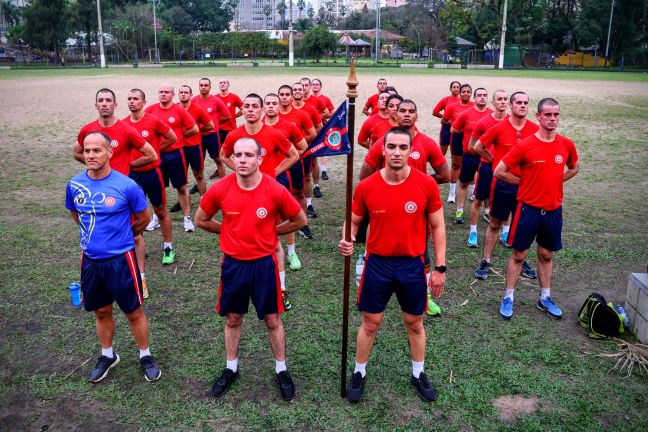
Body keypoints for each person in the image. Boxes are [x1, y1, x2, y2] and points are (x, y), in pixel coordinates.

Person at [338, 127, 447, 403]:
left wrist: (440, 268)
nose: (397, 152)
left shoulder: (426, 184)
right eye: (391, 147)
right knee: (371, 322)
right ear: (382, 150)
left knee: (415, 322)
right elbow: (353, 221)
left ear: (411, 151)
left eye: (402, 147)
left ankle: (418, 373)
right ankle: (359, 372)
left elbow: (438, 226)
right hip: (377, 264)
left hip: (413, 265)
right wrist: (348, 237)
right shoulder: (367, 186)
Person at [195, 137, 306, 400]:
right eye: (237, 155)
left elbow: (299, 219)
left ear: (259, 159)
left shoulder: (274, 189)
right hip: (234, 265)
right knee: (233, 318)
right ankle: (231, 367)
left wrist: (272, 233)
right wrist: (230, 231)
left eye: (248, 155)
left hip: (264, 265)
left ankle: (281, 368)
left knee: (272, 318)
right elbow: (201, 219)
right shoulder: (221, 188)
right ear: (232, 159)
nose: (242, 160)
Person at [66, 131, 161, 383]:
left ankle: (145, 355)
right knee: (101, 311)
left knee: (133, 311)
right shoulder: (74, 185)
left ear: (110, 152)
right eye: (87, 150)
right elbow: (77, 215)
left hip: (122, 261)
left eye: (96, 150)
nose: (90, 155)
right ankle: (108, 355)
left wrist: (120, 238)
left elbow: (142, 219)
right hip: (91, 261)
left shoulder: (127, 186)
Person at [360, 100, 450, 316]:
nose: (407, 115)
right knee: (377, 245)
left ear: (417, 116)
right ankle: (366, 275)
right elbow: (365, 174)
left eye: (411, 111)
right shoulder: (383, 142)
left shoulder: (427, 143)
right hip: (385, 208)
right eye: (402, 111)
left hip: (415, 210)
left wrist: (421, 184)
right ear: (395, 115)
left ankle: (425, 297)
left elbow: (446, 175)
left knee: (421, 253)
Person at [494, 98, 579, 320]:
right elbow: (500, 171)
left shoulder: (566, 144)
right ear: (539, 117)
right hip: (527, 210)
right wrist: (522, 183)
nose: (552, 119)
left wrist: (556, 182)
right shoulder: (525, 145)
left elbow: (574, 167)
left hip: (553, 210)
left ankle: (544, 297)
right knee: (519, 255)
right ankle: (508, 297)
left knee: (546, 254)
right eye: (548, 115)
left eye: (556, 115)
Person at [472, 92, 539, 281]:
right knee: (494, 223)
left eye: (526, 102)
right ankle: (486, 260)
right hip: (502, 184)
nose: (523, 106)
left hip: (525, 185)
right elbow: (478, 147)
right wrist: (495, 162)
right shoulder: (499, 127)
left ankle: (520, 258)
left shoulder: (535, 129)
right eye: (519, 102)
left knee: (521, 225)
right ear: (510, 105)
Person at [123, 89, 178, 295]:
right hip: (131, 175)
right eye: (129, 98)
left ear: (144, 102)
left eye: (135, 98)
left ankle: (168, 247)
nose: (132, 101)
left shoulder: (154, 121)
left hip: (152, 173)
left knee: (160, 210)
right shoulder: (123, 124)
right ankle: (139, 247)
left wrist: (155, 148)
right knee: (134, 214)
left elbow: (172, 138)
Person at [263, 93, 309, 308]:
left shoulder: (288, 126)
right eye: (268, 103)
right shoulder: (255, 126)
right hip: (257, 178)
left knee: (286, 214)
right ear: (263, 107)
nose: (271, 106)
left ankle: (291, 252)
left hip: (280, 175)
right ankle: (265, 248)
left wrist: (278, 169)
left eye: (274, 103)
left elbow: (301, 148)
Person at [145, 83, 199, 234]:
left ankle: (187, 218)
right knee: (157, 188)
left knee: (181, 187)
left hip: (175, 155)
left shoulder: (179, 110)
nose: (163, 94)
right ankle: (156, 217)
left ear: (172, 95)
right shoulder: (150, 110)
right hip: (157, 156)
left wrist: (179, 138)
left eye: (166, 92)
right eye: (161, 92)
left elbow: (194, 129)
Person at [75, 88, 157, 177]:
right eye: (100, 100)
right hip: (96, 182)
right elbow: (76, 153)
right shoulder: (87, 130)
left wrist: (128, 166)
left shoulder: (127, 130)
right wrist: (95, 164)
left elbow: (152, 156)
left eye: (108, 100)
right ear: (96, 105)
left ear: (115, 105)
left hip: (119, 185)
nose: (104, 104)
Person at [466, 89, 509, 247]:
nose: (502, 102)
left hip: (506, 170)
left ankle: (506, 232)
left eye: (505, 99)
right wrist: (493, 159)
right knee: (478, 199)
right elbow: (472, 146)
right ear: (493, 102)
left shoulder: (512, 121)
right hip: (486, 167)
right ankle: (473, 232)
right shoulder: (483, 122)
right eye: (499, 99)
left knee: (506, 200)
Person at [277, 84, 318, 238]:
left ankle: (303, 223)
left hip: (294, 160)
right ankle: (278, 223)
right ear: (278, 96)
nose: (285, 97)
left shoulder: (301, 115)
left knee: (298, 192)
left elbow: (312, 134)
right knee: (279, 194)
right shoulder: (272, 115)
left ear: (292, 97)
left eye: (288, 94)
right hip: (276, 163)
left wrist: (292, 145)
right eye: (282, 94)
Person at [450, 87, 492, 225]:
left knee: (488, 185)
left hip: (487, 157)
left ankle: (488, 211)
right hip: (469, 155)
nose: (482, 97)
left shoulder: (492, 115)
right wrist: (466, 134)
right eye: (479, 95)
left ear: (487, 98)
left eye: (484, 95)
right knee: (463, 183)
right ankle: (459, 211)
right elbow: (453, 129)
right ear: (475, 98)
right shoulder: (466, 114)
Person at [192, 78, 231, 184]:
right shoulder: (193, 101)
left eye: (206, 85)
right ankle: (199, 183)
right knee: (199, 163)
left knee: (218, 159)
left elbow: (227, 116)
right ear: (199, 86)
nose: (203, 87)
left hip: (212, 135)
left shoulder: (216, 100)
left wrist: (215, 123)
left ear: (210, 87)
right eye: (201, 85)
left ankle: (223, 183)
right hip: (198, 136)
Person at [178, 84, 214, 197]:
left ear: (191, 95)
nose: (183, 94)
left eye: (186, 92)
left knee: (198, 175)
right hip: (178, 148)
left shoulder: (197, 109)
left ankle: (204, 199)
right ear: (178, 94)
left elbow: (210, 125)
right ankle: (183, 201)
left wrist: (196, 131)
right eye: (181, 92)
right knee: (181, 178)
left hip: (194, 147)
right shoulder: (174, 108)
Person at [442, 83, 474, 203]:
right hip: (457, 138)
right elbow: (444, 120)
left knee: (472, 166)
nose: (466, 93)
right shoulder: (452, 106)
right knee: (456, 165)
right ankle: (452, 192)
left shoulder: (475, 106)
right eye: (463, 91)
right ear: (460, 93)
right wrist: (456, 127)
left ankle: (473, 192)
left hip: (471, 139)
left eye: (468, 91)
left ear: (471, 94)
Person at [310, 78, 335, 180]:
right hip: (309, 129)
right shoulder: (307, 98)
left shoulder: (325, 99)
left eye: (317, 84)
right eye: (313, 84)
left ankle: (324, 170)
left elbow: (332, 113)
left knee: (323, 148)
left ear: (320, 86)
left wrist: (320, 117)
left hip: (322, 127)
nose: (315, 86)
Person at [432, 81, 461, 156]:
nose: (456, 89)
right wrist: (445, 118)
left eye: (458, 87)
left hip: (459, 129)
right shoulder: (446, 100)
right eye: (454, 87)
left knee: (457, 153)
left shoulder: (463, 101)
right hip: (447, 127)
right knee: (442, 152)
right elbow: (435, 112)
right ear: (450, 89)